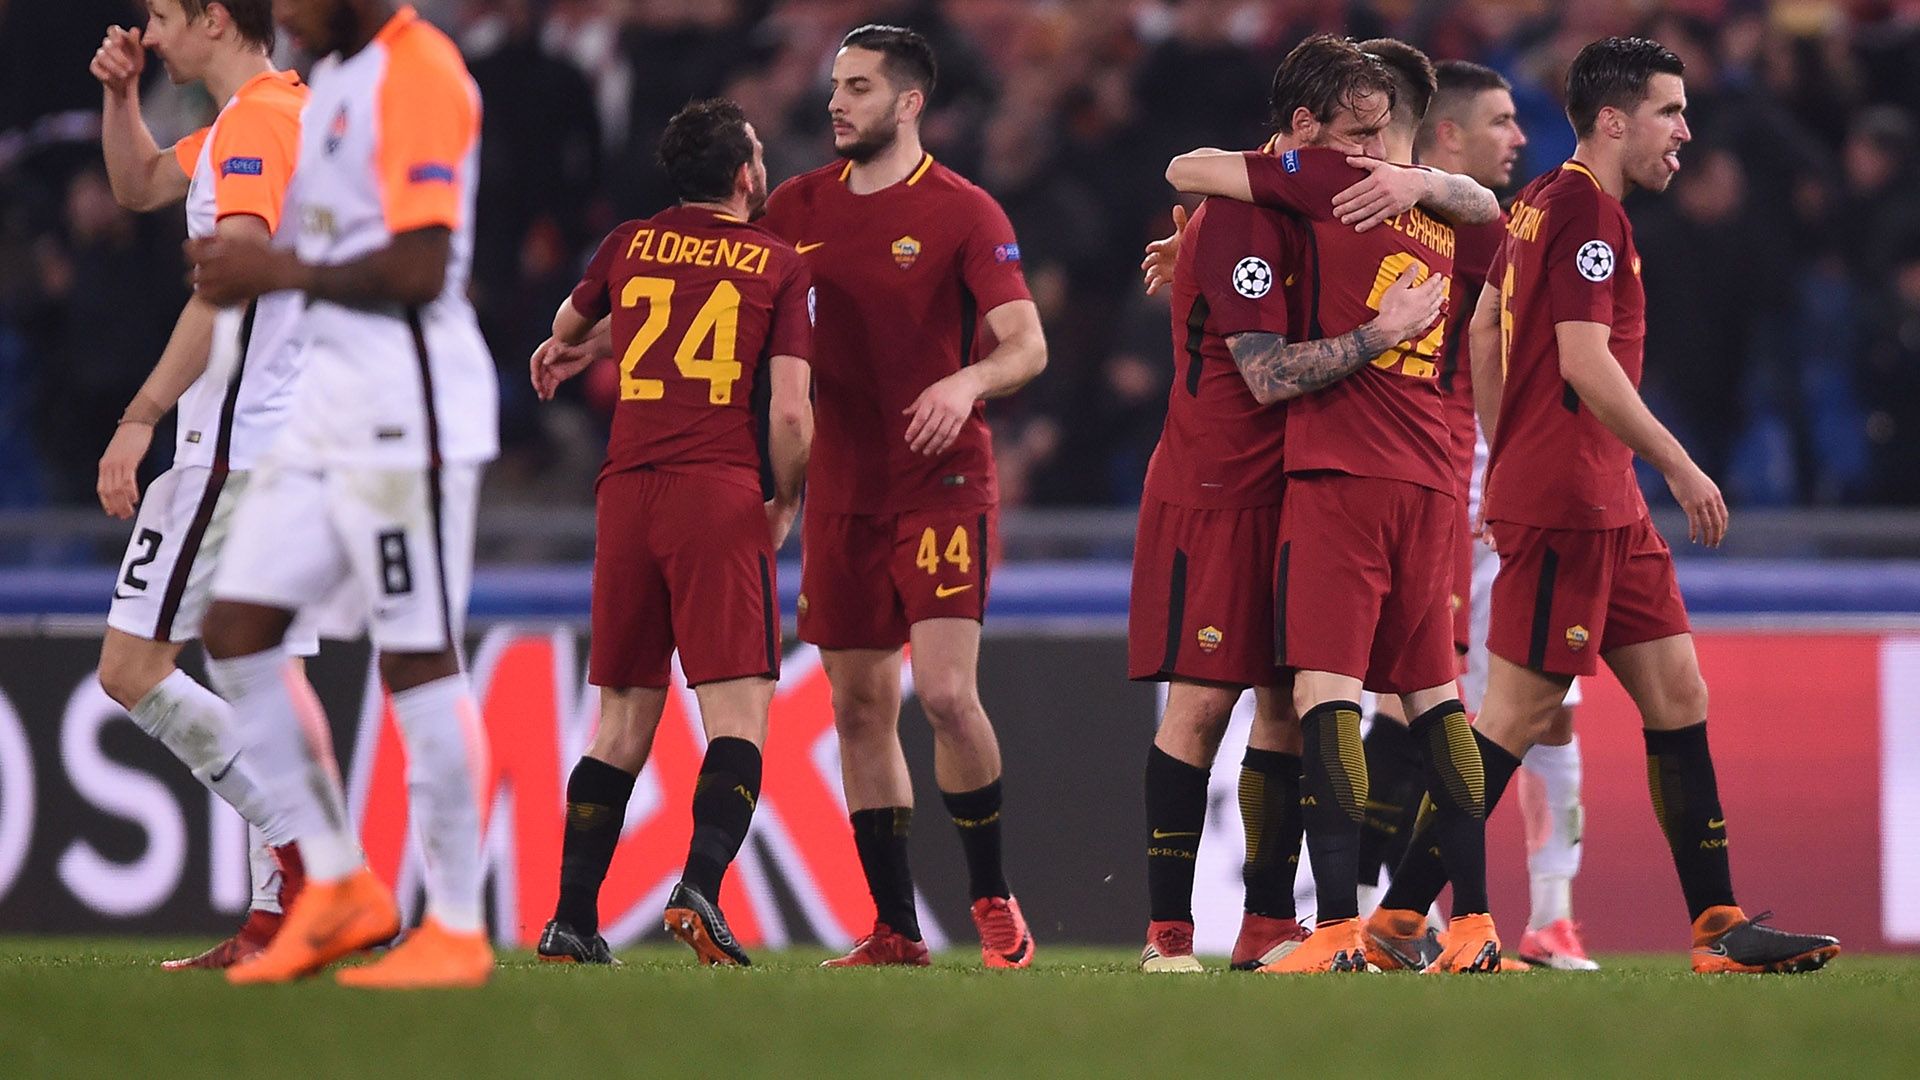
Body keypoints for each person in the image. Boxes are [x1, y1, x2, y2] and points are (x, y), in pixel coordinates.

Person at [1372, 36, 1840, 975]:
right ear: (1615, 120)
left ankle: (1718, 926)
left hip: (1596, 499)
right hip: (1576, 504)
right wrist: (1679, 465)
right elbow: (1584, 363)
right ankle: (1397, 918)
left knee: (1678, 693)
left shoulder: (1541, 202)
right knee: (1514, 716)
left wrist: (1509, 455)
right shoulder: (1587, 216)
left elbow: (1483, 336)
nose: (1685, 133)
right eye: (1669, 113)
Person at [1132, 37, 1476, 976]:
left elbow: (1482, 205)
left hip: (1297, 486)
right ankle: (1168, 936)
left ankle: (1268, 924)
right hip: (1217, 489)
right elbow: (1270, 374)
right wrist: (1383, 331)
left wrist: (1425, 187)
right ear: (1302, 131)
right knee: (1203, 706)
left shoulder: (1323, 200)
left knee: (1288, 706)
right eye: (1358, 134)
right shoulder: (1243, 215)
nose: (1376, 155)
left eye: (1384, 136)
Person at [188, 0, 498, 989]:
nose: (280, 10)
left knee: (414, 652)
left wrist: (270, 268)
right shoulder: (330, 88)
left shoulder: (420, 75)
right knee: (235, 626)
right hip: (327, 414)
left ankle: (454, 923)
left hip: (408, 417)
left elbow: (422, 263)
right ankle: (341, 883)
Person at [756, 24, 1048, 969]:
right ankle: (893, 927)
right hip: (842, 489)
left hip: (942, 481)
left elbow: (1024, 343)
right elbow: (718, 297)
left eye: (860, 88)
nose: (837, 103)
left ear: (910, 102)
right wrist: (592, 336)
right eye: (836, 86)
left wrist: (966, 383)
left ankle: (994, 894)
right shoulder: (795, 206)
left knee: (949, 695)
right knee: (856, 709)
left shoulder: (964, 211)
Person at [526, 98, 813, 968]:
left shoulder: (630, 244)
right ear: (743, 175)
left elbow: (566, 330)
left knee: (620, 718)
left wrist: (591, 343)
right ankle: (699, 889)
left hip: (626, 494)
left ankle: (571, 919)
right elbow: (793, 412)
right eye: (758, 154)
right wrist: (787, 500)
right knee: (740, 710)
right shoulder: (776, 261)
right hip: (715, 489)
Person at [87, 0, 310, 971]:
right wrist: (123, 96)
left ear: (216, 19)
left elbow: (232, 279)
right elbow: (137, 183)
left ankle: (318, 862)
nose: (151, 29)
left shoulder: (256, 127)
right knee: (252, 692)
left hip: (232, 449)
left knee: (130, 669)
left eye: (164, 15)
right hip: (290, 446)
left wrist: (141, 415)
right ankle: (277, 923)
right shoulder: (272, 117)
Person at [1409, 59, 1597, 971]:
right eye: (1500, 121)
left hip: (1504, 485)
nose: (1520, 138)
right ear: (1445, 137)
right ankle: (1393, 908)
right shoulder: (1391, 222)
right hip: (1423, 486)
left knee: (1544, 704)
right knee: (1414, 698)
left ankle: (1552, 913)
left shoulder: (1518, 225)